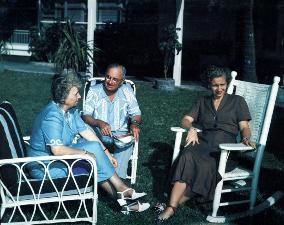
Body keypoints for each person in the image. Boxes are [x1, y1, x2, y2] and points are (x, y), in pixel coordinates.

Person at [27, 71, 149, 213]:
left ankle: (122, 194)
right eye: (76, 93)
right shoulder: (52, 115)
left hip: (57, 160)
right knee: (91, 161)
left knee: (94, 148)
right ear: (63, 95)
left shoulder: (69, 111)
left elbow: (87, 132)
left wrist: (107, 153)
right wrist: (86, 154)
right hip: (45, 167)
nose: (79, 96)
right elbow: (58, 150)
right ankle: (122, 195)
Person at [157, 66, 256, 222]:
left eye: (222, 84)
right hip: (203, 143)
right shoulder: (203, 101)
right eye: (215, 85)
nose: (219, 88)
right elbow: (186, 120)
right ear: (209, 85)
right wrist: (192, 129)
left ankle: (170, 206)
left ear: (227, 83)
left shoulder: (237, 101)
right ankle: (172, 205)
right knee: (187, 155)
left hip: (224, 150)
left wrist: (245, 138)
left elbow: (244, 126)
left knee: (204, 166)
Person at [82, 63, 141, 179]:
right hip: (98, 134)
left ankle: (115, 179)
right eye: (108, 77)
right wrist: (99, 122)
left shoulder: (126, 91)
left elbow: (136, 114)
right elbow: (86, 115)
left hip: (120, 135)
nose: (110, 81)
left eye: (115, 79)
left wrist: (134, 124)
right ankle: (102, 178)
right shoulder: (95, 90)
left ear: (122, 81)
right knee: (85, 130)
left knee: (130, 138)